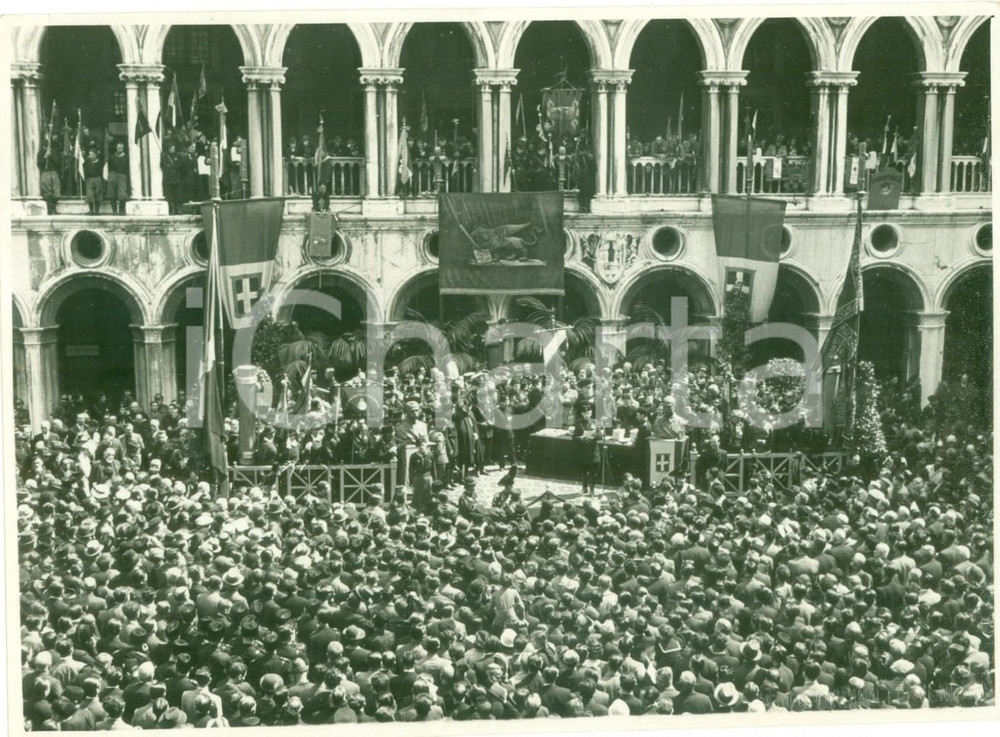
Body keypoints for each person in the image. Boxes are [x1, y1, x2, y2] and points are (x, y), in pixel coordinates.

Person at [573, 401, 602, 495]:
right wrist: (580, 438)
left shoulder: (595, 423)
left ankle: (592, 489)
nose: (587, 415)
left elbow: (600, 436)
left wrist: (596, 435)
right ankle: (584, 487)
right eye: (585, 413)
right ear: (582, 413)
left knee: (593, 472)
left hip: (593, 452)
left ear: (591, 413)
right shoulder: (579, 423)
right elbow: (574, 437)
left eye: (589, 413)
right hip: (583, 451)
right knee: (584, 471)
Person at [37, 137, 62, 215]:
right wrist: (45, 156)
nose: (47, 148)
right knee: (47, 193)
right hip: (45, 172)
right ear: (43, 147)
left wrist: (50, 156)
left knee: (56, 193)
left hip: (54, 172)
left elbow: (57, 163)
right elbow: (39, 164)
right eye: (45, 146)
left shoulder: (54, 152)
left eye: (48, 146)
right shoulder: (40, 153)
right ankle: (51, 210)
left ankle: (53, 208)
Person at [105, 140, 129, 215]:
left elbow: (127, 168)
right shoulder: (112, 157)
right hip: (113, 175)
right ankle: (114, 211)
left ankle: (122, 210)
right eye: (119, 147)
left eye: (121, 148)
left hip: (122, 175)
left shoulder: (126, 157)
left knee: (122, 194)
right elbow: (109, 166)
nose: (120, 149)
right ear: (116, 147)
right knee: (112, 194)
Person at [82, 146, 105, 215]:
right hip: (89, 179)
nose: (91, 156)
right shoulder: (87, 162)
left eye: (92, 154)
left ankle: (97, 211)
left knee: (98, 194)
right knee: (90, 195)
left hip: (97, 179)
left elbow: (101, 171)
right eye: (90, 154)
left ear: (95, 155)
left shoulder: (99, 162)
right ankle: (91, 210)